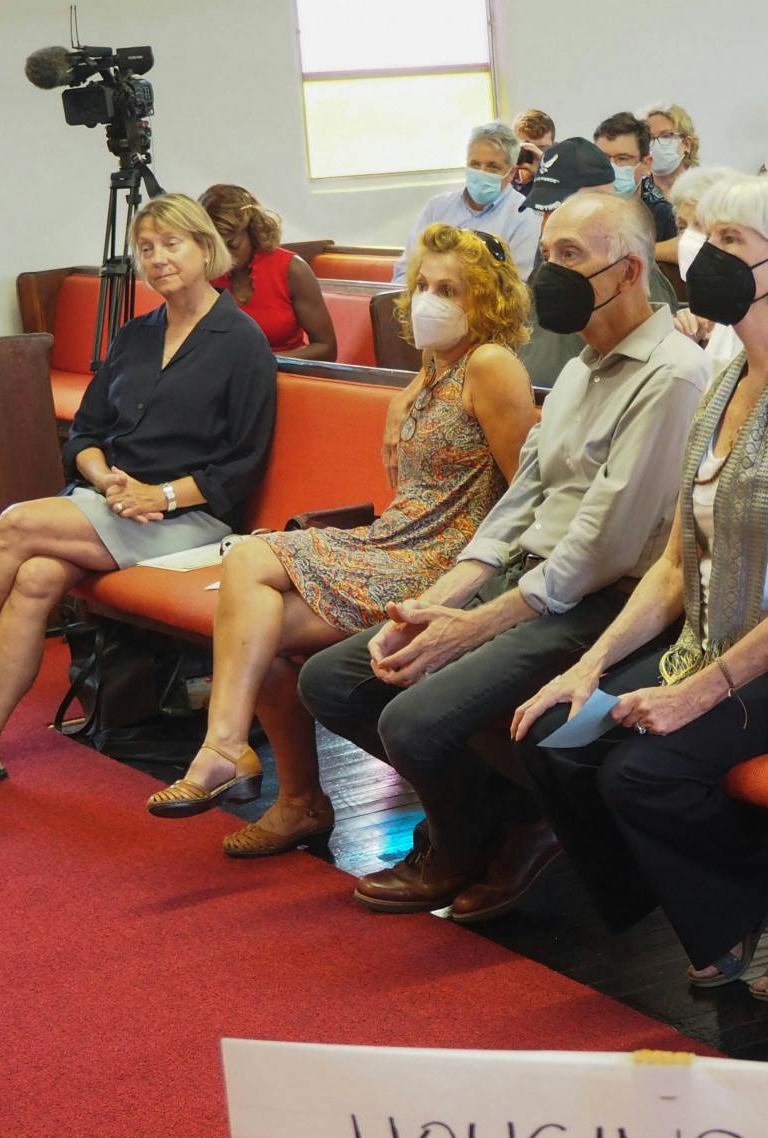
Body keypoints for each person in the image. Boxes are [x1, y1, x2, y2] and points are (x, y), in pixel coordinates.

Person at [512, 172, 768, 996]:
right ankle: (716, 901)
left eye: (729, 242)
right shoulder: (726, 382)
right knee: (555, 739)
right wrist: (590, 666)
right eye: (705, 237)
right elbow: (679, 564)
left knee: (642, 772)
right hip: (719, 629)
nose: (702, 257)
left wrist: (698, 693)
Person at [297, 190, 709, 919]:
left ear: (629, 271)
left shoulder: (671, 375)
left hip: (602, 602)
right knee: (335, 679)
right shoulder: (582, 366)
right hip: (531, 580)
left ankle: (464, 844)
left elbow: (604, 545)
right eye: (546, 254)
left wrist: (476, 627)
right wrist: (444, 599)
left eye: (570, 256)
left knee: (413, 719)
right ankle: (510, 816)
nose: (548, 273)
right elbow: (522, 496)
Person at [0, 195, 275, 804]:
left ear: (205, 248)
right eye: (146, 248)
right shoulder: (136, 334)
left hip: (192, 519)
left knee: (17, 524)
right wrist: (107, 480)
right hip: (115, 504)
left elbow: (240, 466)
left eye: (171, 244)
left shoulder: (240, 340)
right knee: (36, 576)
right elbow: (85, 434)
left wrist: (158, 494)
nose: (157, 259)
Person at [148, 225, 537, 855]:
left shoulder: (491, 365)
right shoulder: (434, 367)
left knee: (251, 567)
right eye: (423, 286)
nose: (428, 300)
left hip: (444, 558)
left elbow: (526, 494)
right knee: (257, 629)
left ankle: (235, 755)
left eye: (449, 291)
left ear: (484, 300)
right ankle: (293, 797)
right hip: (397, 540)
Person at [516, 138, 683, 388]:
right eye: (544, 211)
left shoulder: (631, 275)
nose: (549, 223)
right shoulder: (549, 266)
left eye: (560, 208)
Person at [200, 185, 336, 359]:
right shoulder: (205, 273)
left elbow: (327, 349)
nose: (225, 256)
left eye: (232, 245)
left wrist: (264, 363)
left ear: (252, 231)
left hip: (285, 371)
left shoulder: (293, 269)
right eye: (215, 248)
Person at [392, 122, 540, 282]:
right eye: (475, 164)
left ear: (511, 173)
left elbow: (518, 286)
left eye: (492, 167)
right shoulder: (437, 208)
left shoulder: (525, 216)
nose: (481, 172)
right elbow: (406, 270)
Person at [669, 165, 744, 368]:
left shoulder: (753, 317)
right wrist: (687, 343)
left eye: (700, 225)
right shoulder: (695, 318)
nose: (687, 239)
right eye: (682, 227)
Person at [594, 111, 680, 244]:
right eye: (603, 158)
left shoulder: (665, 218)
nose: (610, 167)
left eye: (622, 159)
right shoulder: (580, 211)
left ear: (646, 164)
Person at [645, 105, 700, 195]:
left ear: (686, 144)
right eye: (649, 138)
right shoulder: (636, 196)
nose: (656, 143)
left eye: (666, 136)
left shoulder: (705, 194)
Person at [510, 108, 556, 194]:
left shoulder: (564, 175)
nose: (535, 153)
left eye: (542, 149)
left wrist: (545, 175)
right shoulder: (503, 176)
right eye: (528, 149)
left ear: (554, 146)